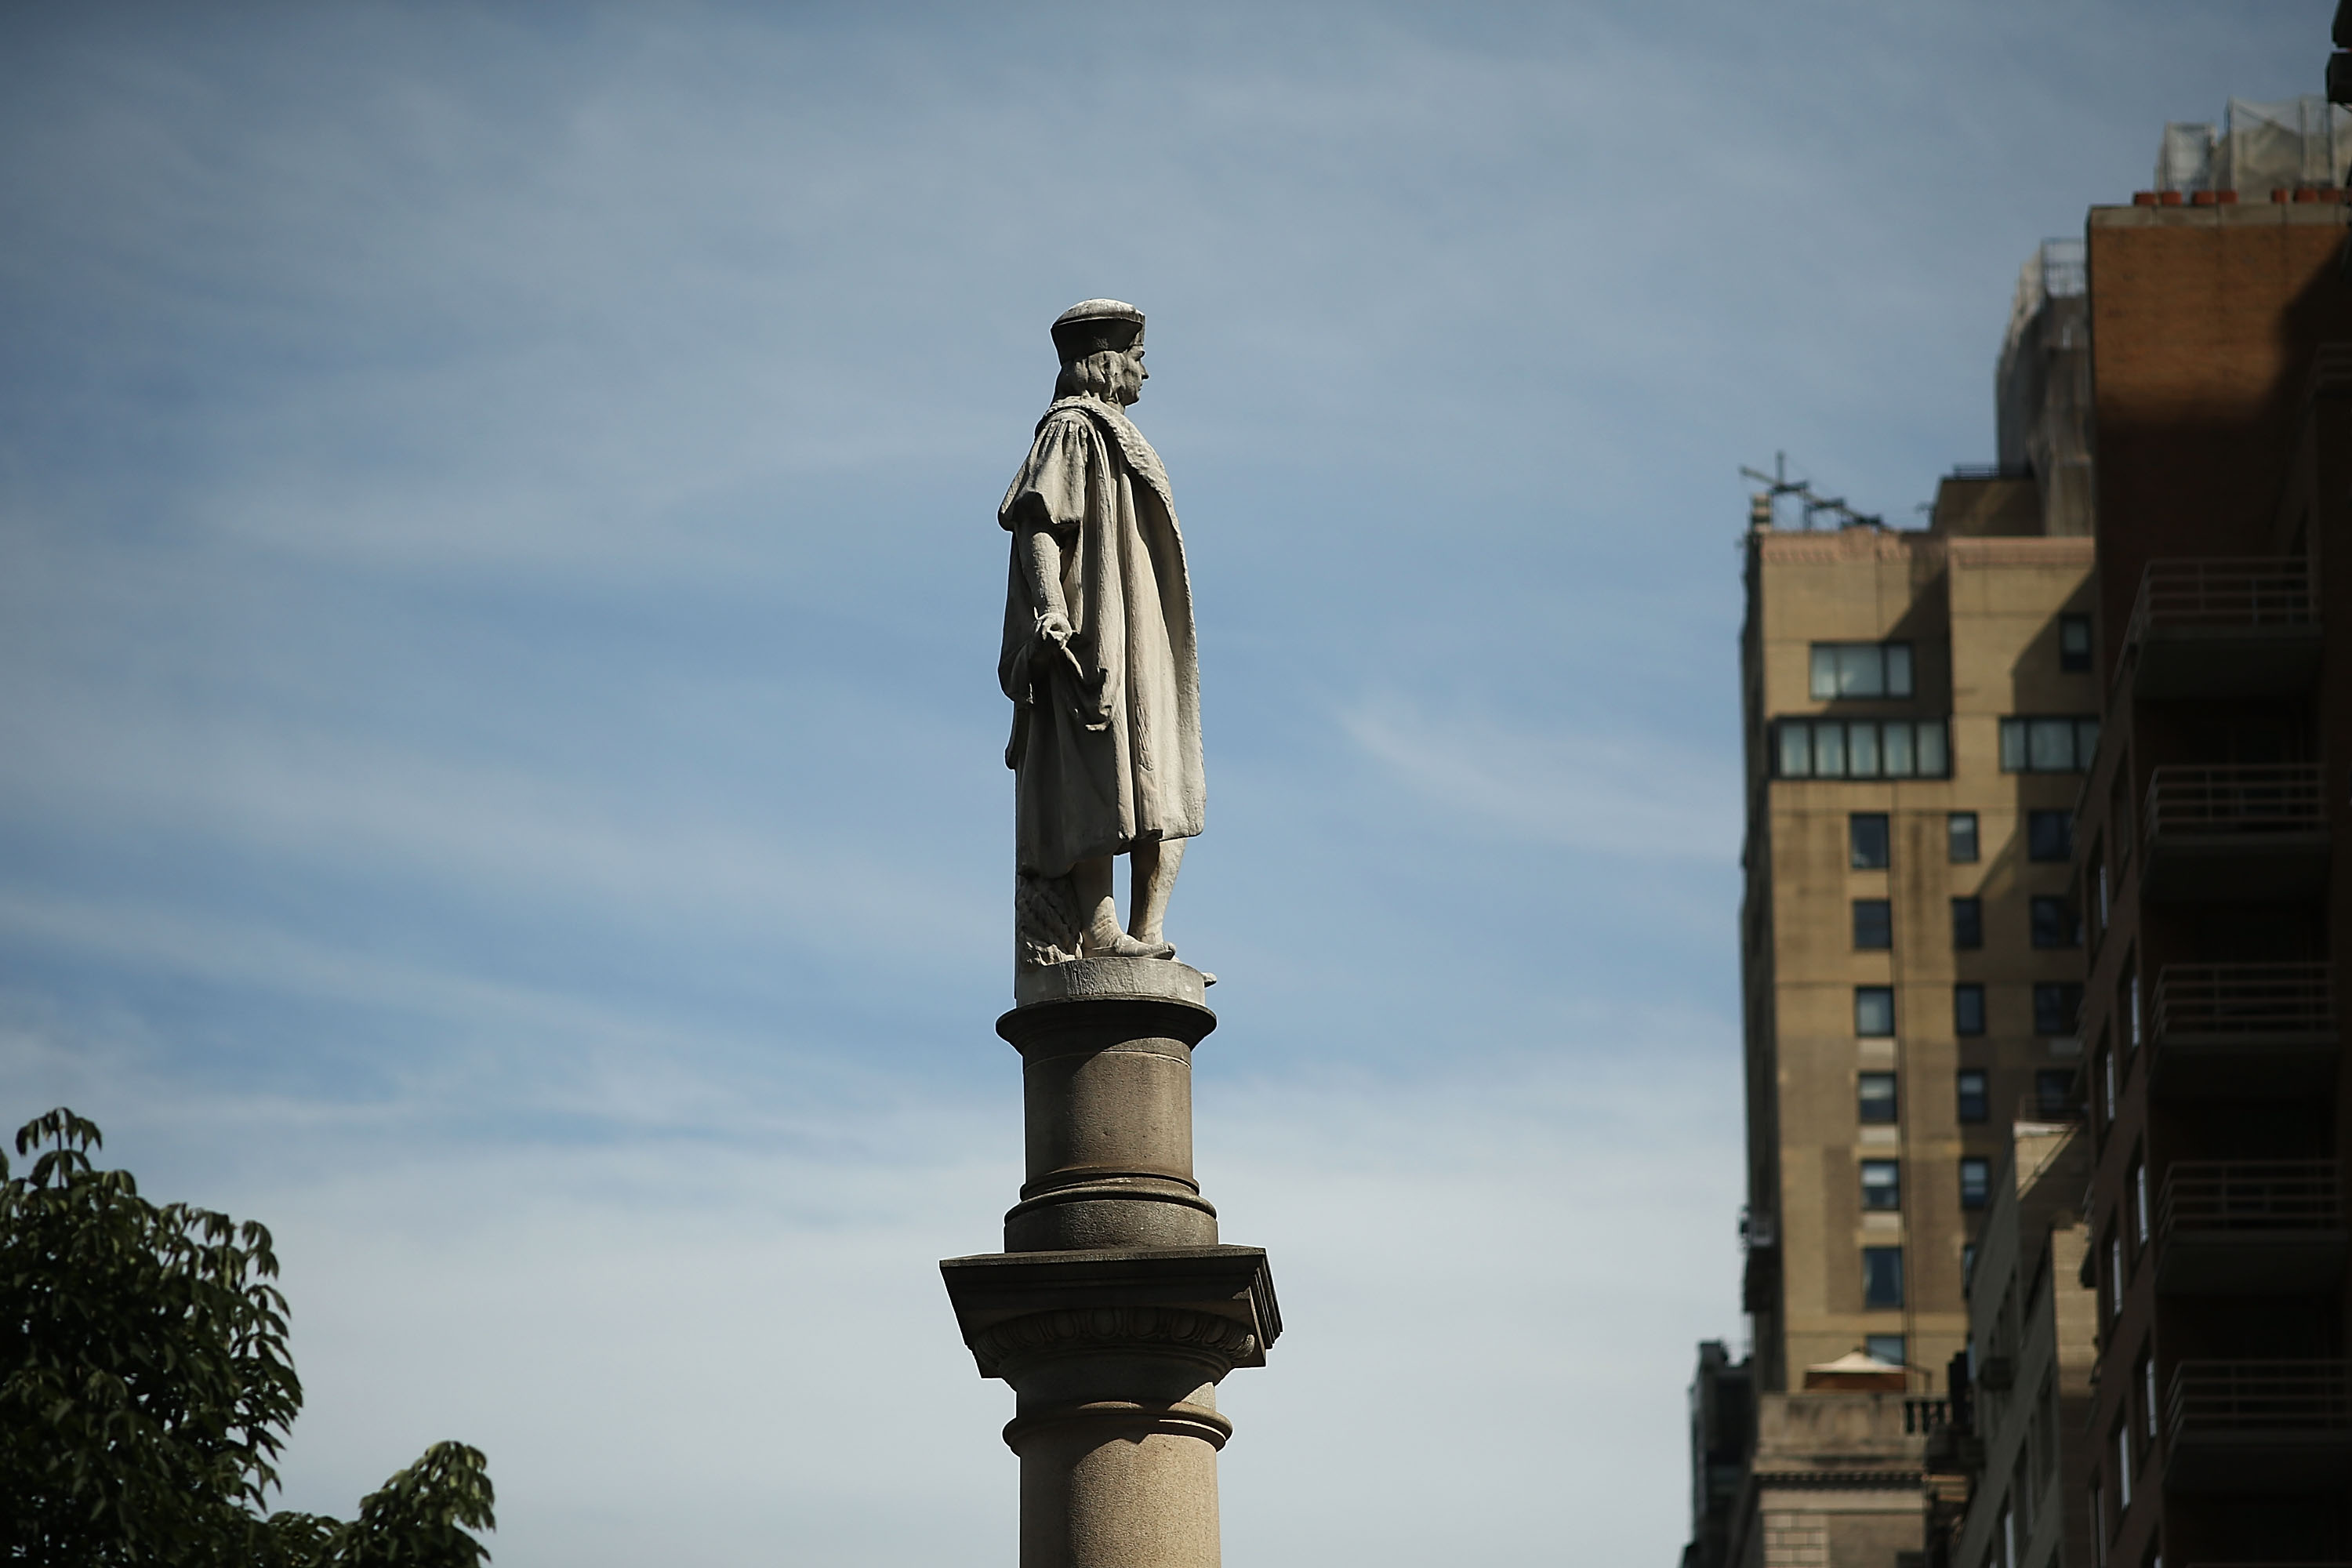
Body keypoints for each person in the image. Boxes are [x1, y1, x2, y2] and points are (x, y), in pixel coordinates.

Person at [998, 299, 1204, 967]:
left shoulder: (1114, 432)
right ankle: (1101, 927)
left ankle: (1148, 930)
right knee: (1101, 773)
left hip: (1141, 628)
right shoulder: (1071, 430)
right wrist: (1050, 608)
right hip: (1097, 628)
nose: (1146, 373)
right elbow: (1037, 520)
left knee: (1162, 774)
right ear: (1105, 360)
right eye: (1139, 358)